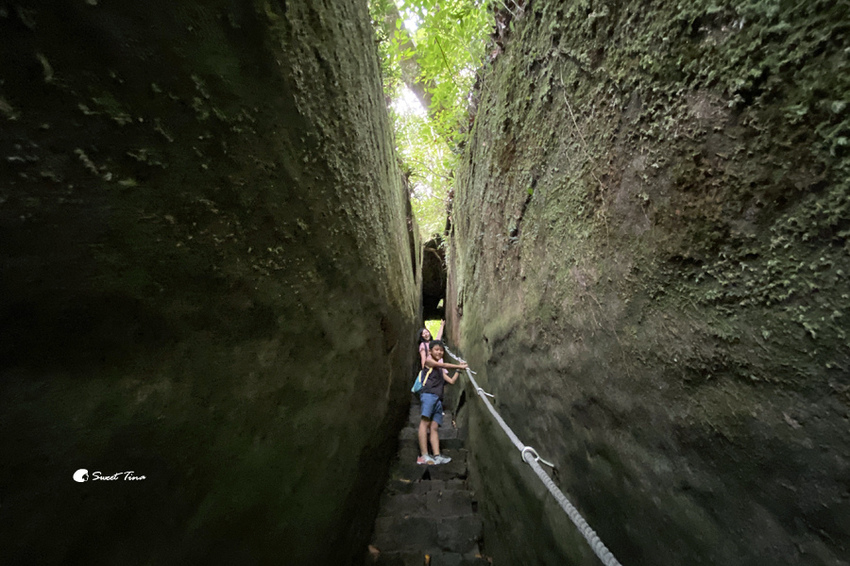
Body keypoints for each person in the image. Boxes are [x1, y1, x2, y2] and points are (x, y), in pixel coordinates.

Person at [416, 340, 467, 465]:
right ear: (431, 351)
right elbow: (443, 366)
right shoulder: (429, 362)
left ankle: (437, 455)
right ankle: (424, 456)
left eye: (441, 350)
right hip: (428, 395)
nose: (439, 352)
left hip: (438, 399)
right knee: (424, 423)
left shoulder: (438, 370)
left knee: (434, 427)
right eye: (436, 349)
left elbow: (451, 381)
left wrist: (459, 371)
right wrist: (459, 366)